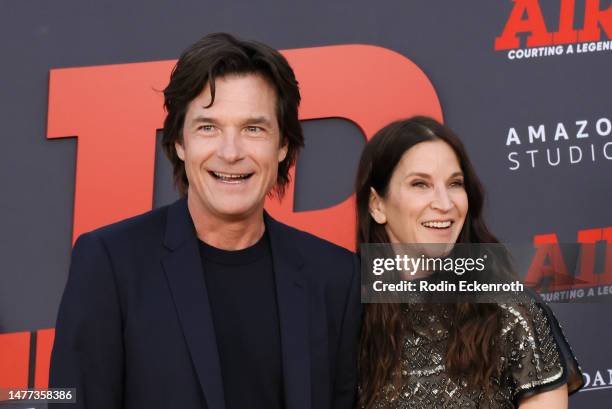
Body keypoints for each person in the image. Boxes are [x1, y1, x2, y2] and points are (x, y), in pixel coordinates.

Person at [49, 33, 361, 409]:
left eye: (253, 129)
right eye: (208, 127)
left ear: (283, 146)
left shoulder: (335, 277)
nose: (230, 153)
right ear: (180, 142)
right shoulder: (110, 265)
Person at [355, 116, 583, 409]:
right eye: (420, 184)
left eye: (455, 184)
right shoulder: (349, 322)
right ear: (377, 205)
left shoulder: (512, 314)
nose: (445, 203)